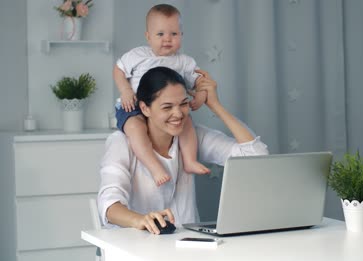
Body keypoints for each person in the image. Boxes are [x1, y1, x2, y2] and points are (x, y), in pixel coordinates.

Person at [98, 67, 269, 234]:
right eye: (167, 107)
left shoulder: (192, 135)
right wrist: (141, 220)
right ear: (145, 108)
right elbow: (110, 205)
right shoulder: (121, 143)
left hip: (188, 249)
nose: (178, 114)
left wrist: (216, 106)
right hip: (139, 249)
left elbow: (257, 156)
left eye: (183, 104)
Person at [113, 4, 209, 187]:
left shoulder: (184, 61)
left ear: (182, 35)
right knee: (135, 128)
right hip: (132, 106)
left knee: (186, 121)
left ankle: (189, 160)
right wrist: (125, 90)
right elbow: (118, 70)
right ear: (148, 36)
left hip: (166, 111)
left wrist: (201, 95)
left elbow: (199, 81)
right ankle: (154, 166)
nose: (167, 39)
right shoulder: (138, 55)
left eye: (174, 34)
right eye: (160, 34)